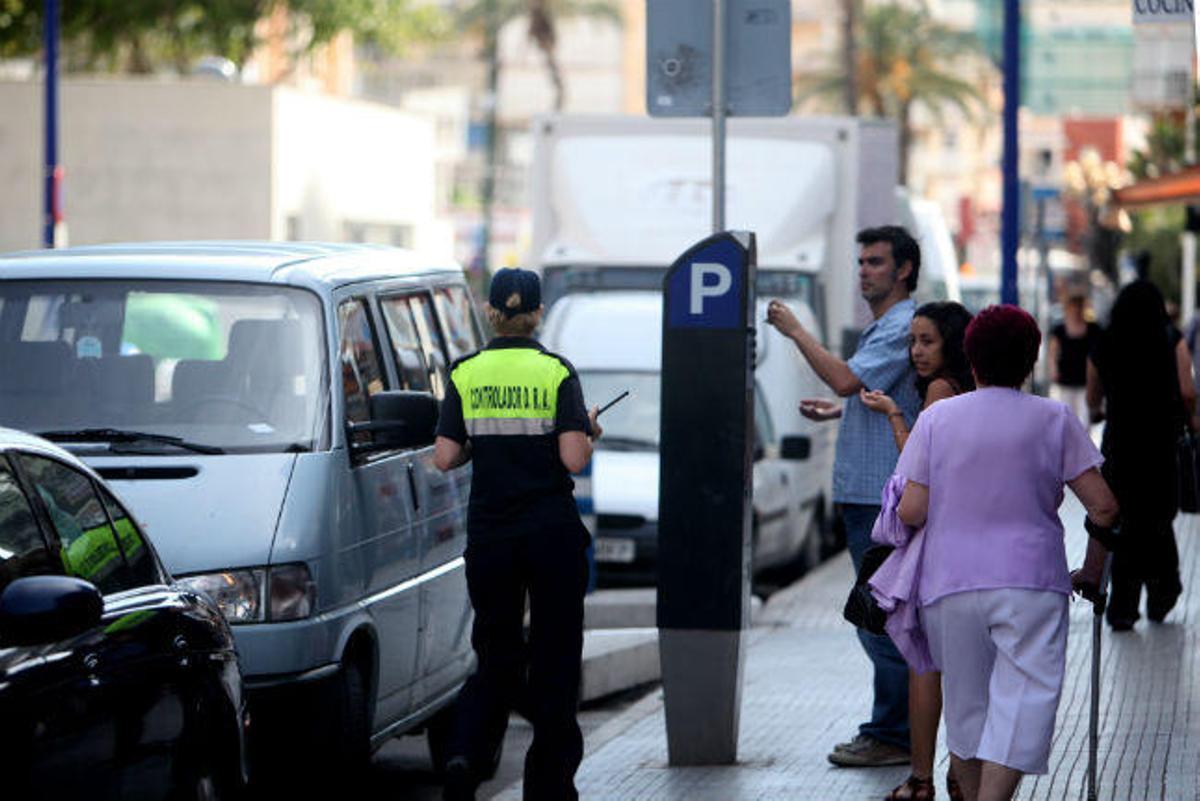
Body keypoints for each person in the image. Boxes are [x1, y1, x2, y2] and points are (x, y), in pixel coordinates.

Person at [893, 304, 1117, 801]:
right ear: (1031, 361)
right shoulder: (1054, 417)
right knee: (1023, 703)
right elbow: (1104, 507)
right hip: (1031, 583)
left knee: (967, 711)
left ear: (970, 360)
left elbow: (911, 509)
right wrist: (1093, 571)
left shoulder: (937, 419)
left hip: (949, 583)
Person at [433, 268, 602, 801]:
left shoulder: (465, 372)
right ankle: (548, 789)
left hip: (492, 536)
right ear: (537, 314)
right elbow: (572, 459)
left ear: (490, 312)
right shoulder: (555, 372)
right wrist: (589, 431)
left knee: (496, 652)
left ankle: (466, 756)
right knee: (555, 659)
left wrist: (480, 443)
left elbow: (444, 458)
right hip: (550, 534)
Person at [766, 225, 923, 768]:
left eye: (875, 262)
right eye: (860, 262)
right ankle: (894, 729)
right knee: (878, 614)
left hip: (877, 496)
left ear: (903, 269)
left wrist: (795, 330)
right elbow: (872, 395)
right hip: (872, 491)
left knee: (878, 618)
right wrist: (846, 411)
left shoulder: (900, 325)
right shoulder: (892, 327)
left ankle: (893, 734)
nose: (863, 271)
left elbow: (843, 379)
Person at [859, 301, 974, 801]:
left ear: (951, 341)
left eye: (927, 340)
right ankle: (960, 774)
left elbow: (916, 469)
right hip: (971, 543)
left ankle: (922, 778)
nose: (917, 351)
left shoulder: (939, 391)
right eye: (913, 341)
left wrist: (893, 415)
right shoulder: (974, 389)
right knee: (967, 669)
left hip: (934, 544)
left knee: (924, 662)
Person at [1087, 280, 1195, 631]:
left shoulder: (1105, 340)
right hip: (1161, 443)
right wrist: (1190, 419)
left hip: (1120, 443)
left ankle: (1123, 606)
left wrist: (1098, 410)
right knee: (1158, 520)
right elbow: (1187, 390)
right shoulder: (1170, 337)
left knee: (1124, 522)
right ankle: (1165, 591)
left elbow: (1092, 392)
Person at [1047, 289, 1101, 426]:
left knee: (1084, 422)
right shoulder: (1059, 330)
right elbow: (1052, 353)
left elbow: (1100, 354)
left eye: (1079, 307)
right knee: (1065, 420)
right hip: (1065, 381)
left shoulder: (1094, 329)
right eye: (1073, 307)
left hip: (1086, 383)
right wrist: (1053, 370)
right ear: (1067, 309)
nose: (1076, 311)